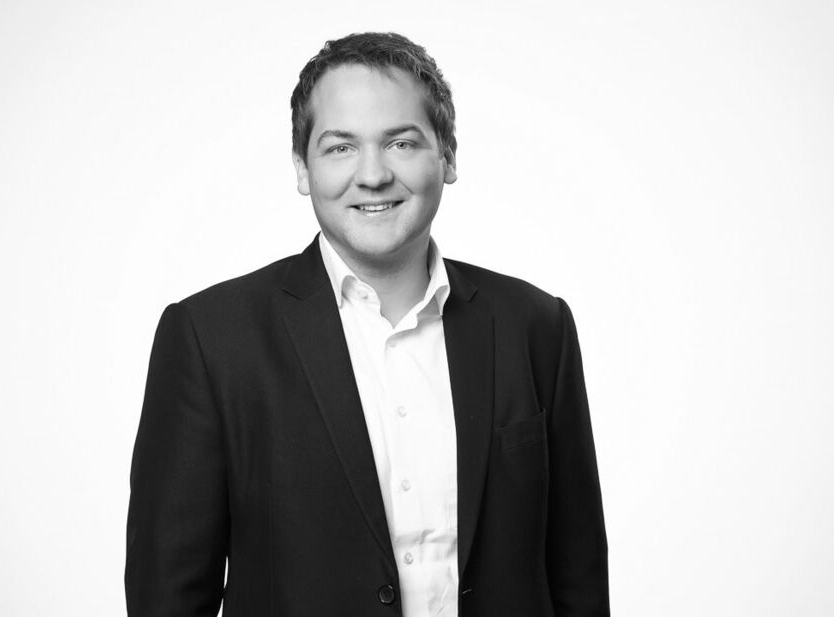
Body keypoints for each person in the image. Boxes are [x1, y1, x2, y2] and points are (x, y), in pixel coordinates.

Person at [125, 32, 608, 617]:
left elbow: (579, 578)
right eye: (340, 148)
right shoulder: (211, 340)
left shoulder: (536, 327)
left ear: (448, 156)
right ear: (302, 168)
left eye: (401, 142)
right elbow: (168, 596)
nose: (373, 175)